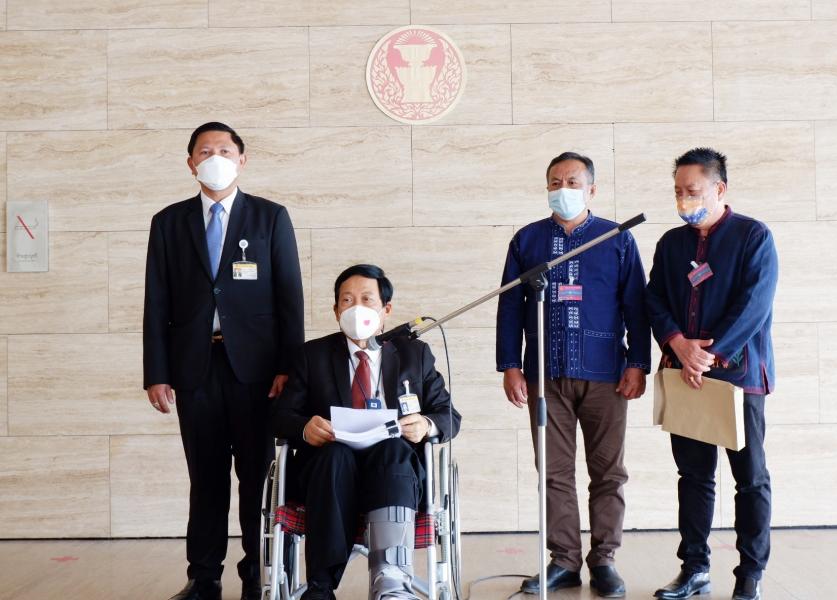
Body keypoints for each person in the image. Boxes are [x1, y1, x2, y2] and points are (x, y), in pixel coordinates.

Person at [143, 121, 304, 600]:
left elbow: (290, 298)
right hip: (195, 368)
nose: (215, 158)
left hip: (259, 372)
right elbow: (156, 301)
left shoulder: (270, 217)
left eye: (225, 150)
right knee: (206, 477)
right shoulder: (169, 222)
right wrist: (157, 373)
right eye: (205, 151)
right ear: (190, 163)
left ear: (242, 160)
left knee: (257, 476)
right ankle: (203, 576)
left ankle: (258, 574)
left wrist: (290, 369)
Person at [496, 152, 651, 597]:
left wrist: (638, 363)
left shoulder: (617, 238)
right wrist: (510, 365)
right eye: (554, 182)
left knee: (608, 472)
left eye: (572, 182)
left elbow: (636, 305)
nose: (562, 189)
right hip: (544, 374)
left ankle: (604, 560)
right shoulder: (527, 241)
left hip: (606, 373)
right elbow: (510, 305)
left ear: (591, 189)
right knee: (553, 472)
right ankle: (563, 560)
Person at [271, 264, 461, 600]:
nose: (356, 308)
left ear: (386, 309)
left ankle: (392, 581)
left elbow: (448, 415)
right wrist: (304, 426)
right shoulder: (313, 356)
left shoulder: (414, 355)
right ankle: (320, 586)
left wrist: (425, 424)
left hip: (394, 473)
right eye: (347, 300)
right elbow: (280, 416)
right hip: (329, 474)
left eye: (366, 299)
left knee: (393, 449)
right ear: (336, 311)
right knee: (335, 455)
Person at [646, 148, 777, 600]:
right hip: (684, 372)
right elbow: (653, 298)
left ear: (719, 189)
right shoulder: (671, 244)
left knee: (750, 478)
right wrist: (677, 343)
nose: (684, 200)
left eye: (693, 191)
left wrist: (711, 353)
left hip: (738, 377)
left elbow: (755, 304)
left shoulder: (753, 236)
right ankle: (694, 568)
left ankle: (750, 575)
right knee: (694, 477)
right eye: (678, 192)